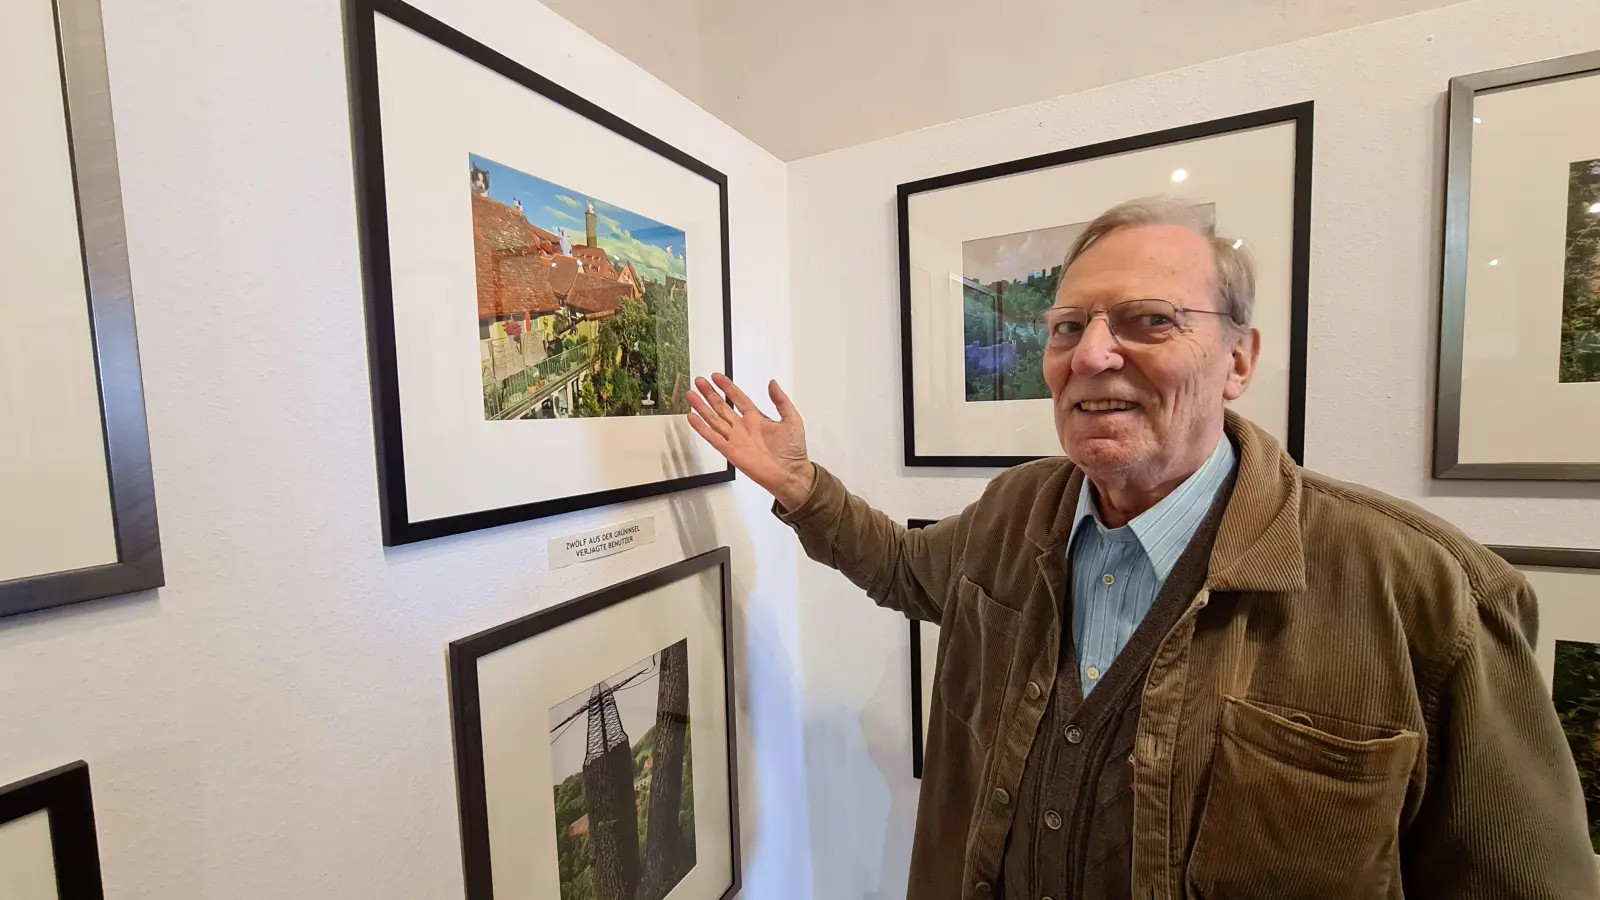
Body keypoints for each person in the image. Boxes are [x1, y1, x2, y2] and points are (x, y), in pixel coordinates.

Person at [684, 197, 1599, 900]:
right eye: (1067, 327)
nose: (1091, 356)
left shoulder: (1426, 593)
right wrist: (804, 491)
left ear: (1239, 361)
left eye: (1148, 322)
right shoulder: (1018, 510)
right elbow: (908, 572)